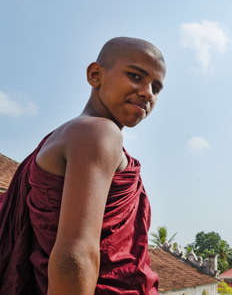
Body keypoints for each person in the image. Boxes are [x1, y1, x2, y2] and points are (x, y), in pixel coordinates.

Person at [0, 37, 166, 294]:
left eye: (156, 87)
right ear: (95, 75)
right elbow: (77, 253)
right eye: (135, 76)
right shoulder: (98, 133)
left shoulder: (71, 134)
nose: (147, 93)